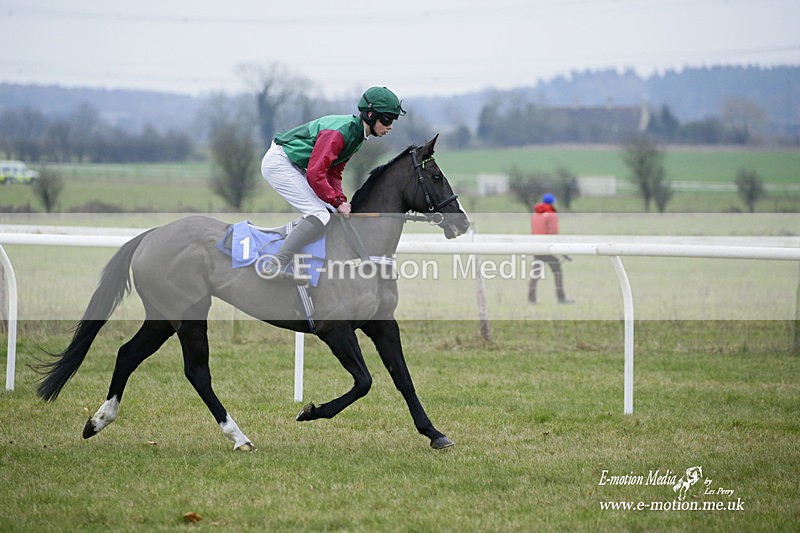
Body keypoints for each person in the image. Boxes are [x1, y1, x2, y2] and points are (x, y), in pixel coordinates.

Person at [260, 86, 405, 283]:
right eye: (387, 120)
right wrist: (337, 202)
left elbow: (334, 173)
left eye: (393, 121)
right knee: (320, 214)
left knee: (330, 213)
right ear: (371, 115)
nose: (390, 126)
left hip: (298, 165)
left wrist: (341, 202)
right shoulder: (340, 132)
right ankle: (275, 264)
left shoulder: (357, 135)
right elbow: (315, 174)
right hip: (280, 163)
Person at [528, 193, 574, 304]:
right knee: (558, 271)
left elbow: (533, 232)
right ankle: (561, 297)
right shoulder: (551, 215)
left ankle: (531, 298)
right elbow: (553, 233)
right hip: (547, 249)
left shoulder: (535, 215)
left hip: (536, 248)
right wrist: (563, 253)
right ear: (552, 202)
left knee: (535, 274)